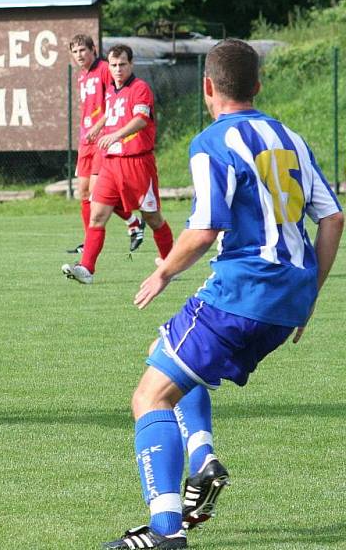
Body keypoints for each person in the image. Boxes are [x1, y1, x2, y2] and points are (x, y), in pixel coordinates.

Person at [102, 39, 343, 549]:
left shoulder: (211, 142)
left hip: (242, 292)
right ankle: (202, 455)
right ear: (257, 86)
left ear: (207, 87)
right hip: (287, 301)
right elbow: (333, 216)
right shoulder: (290, 138)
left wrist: (164, 271)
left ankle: (166, 532)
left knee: (148, 398)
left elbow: (205, 229)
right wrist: (311, 297)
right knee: (164, 354)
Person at [63, 44, 174, 285]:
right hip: (112, 165)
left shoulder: (140, 88)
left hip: (137, 163)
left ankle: (171, 264)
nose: (117, 69)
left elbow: (141, 119)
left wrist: (116, 135)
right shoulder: (112, 91)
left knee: (153, 218)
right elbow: (112, 111)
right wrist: (98, 127)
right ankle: (87, 269)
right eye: (113, 65)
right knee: (97, 215)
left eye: (122, 64)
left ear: (131, 64)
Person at [67, 34, 143, 255]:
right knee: (82, 192)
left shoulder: (105, 69)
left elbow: (113, 102)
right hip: (86, 141)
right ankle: (126, 225)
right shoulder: (82, 76)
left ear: (93, 50)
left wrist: (99, 128)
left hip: (102, 140)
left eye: (83, 50)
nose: (79, 55)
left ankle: (133, 222)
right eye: (75, 51)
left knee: (96, 192)